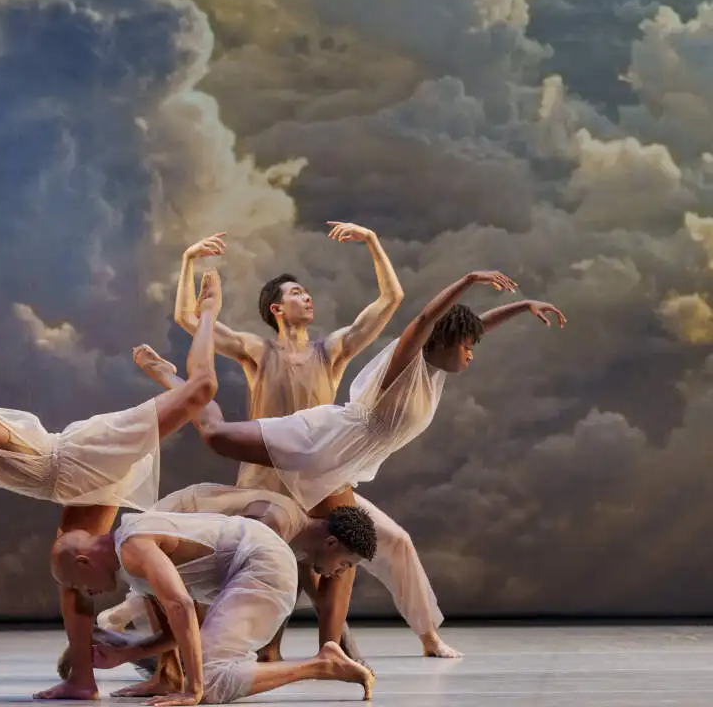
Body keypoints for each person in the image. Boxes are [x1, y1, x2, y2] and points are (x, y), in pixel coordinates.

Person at [162, 262, 567, 656]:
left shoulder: (436, 371)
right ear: (442, 341)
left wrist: (522, 306)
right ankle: (172, 379)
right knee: (215, 436)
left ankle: (344, 645)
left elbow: (470, 325)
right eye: (465, 345)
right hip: (320, 439)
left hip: (340, 467)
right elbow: (428, 317)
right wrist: (468, 279)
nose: (470, 353)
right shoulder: (406, 361)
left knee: (356, 545)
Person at [0, 271, 226, 702]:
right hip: (75, 486)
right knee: (72, 574)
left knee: (203, 389)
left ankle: (207, 315)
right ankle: (84, 679)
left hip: (85, 454)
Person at [173, 226, 453, 658]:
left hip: (322, 477)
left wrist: (374, 242)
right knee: (270, 558)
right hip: (267, 478)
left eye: (307, 292)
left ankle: (418, 635)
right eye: (297, 293)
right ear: (276, 308)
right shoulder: (257, 351)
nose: (308, 298)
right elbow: (190, 321)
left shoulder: (331, 351)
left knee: (393, 540)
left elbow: (389, 302)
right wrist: (190, 260)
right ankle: (275, 646)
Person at [51, 510, 376, 705]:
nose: (86, 592)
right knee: (208, 675)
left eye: (79, 584)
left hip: (264, 563)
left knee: (208, 682)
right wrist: (127, 654)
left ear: (84, 561)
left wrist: (193, 688)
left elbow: (181, 606)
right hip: (259, 562)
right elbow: (176, 631)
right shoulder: (131, 560)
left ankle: (322, 664)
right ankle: (323, 662)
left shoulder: (133, 545)